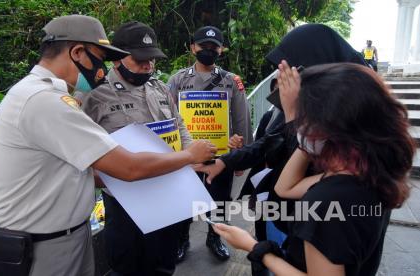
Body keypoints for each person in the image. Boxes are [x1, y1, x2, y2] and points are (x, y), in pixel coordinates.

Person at [0, 15, 216, 276]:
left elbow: (74, 170)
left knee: (160, 264)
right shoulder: (45, 101)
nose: (100, 68)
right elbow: (129, 167)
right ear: (77, 52)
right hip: (42, 247)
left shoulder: (42, 95)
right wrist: (189, 156)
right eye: (99, 58)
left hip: (59, 239)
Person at [213, 61, 415, 276]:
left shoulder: (327, 199)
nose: (298, 124)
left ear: (329, 126)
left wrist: (255, 249)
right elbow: (285, 188)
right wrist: (310, 138)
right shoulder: (371, 172)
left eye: (305, 116)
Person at [199, 24, 368, 239]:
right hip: (273, 210)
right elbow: (269, 141)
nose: (280, 77)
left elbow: (296, 173)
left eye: (289, 70)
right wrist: (225, 162)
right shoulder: (295, 108)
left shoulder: (346, 122)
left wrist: (293, 118)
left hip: (304, 225)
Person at [76, 21, 192, 276]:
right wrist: (98, 176)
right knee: (128, 265)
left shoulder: (160, 88)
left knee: (163, 262)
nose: (148, 66)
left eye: (152, 60)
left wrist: (190, 154)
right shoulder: (94, 95)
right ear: (117, 58)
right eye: (141, 60)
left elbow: (179, 126)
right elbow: (79, 146)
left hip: (166, 191)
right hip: (124, 200)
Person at [167, 25, 253, 262]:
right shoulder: (177, 80)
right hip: (188, 156)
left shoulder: (231, 81)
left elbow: (241, 119)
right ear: (193, 47)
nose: (208, 50)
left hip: (220, 154)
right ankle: (182, 238)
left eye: (213, 46)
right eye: (203, 46)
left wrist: (242, 154)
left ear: (221, 49)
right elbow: (168, 117)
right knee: (185, 198)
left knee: (221, 200)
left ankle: (215, 237)